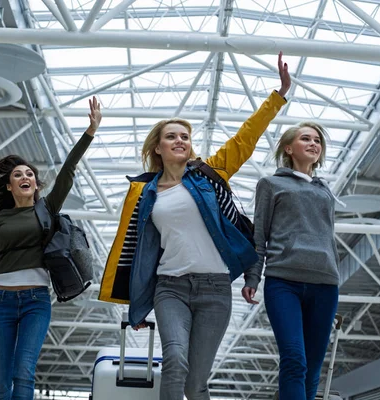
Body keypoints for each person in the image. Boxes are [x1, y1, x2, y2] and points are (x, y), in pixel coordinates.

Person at [98, 53, 291, 400]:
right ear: (158, 147)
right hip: (170, 287)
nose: (180, 141)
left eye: (185, 136)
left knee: (196, 382)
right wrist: (136, 305)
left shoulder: (209, 174)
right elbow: (136, 251)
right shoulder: (145, 194)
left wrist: (277, 96)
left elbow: (244, 140)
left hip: (215, 288)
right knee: (175, 360)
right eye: (171, 136)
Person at [0, 97, 102, 400]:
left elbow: (68, 169)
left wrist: (90, 132)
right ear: (9, 187)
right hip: (1, 302)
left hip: (35, 302)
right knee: (0, 381)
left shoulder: (47, 209)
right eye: (18, 175)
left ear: (36, 185)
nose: (24, 177)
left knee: (23, 372)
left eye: (29, 174)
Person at [242, 121, 340, 400]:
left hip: (325, 284)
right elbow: (259, 235)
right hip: (284, 282)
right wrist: (253, 277)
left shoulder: (325, 191)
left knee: (313, 369)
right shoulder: (271, 184)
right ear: (288, 148)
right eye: (305, 139)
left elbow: (328, 237)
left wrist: (335, 274)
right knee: (294, 358)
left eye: (318, 141)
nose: (313, 144)